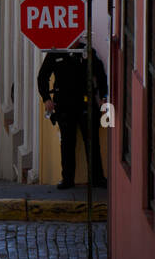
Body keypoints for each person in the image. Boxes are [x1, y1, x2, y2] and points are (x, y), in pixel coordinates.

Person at [37, 42, 108, 189]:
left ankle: (97, 178)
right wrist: (46, 98)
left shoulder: (86, 51)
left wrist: (103, 96)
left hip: (85, 104)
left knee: (92, 142)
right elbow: (42, 76)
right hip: (64, 105)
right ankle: (67, 179)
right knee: (67, 144)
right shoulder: (55, 52)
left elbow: (100, 73)